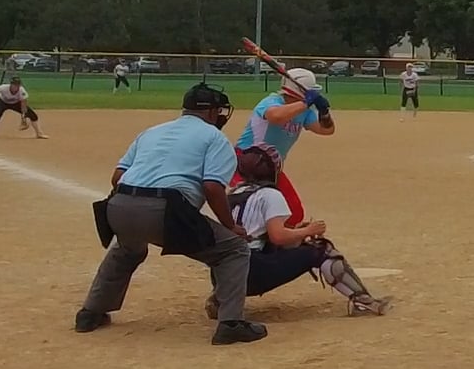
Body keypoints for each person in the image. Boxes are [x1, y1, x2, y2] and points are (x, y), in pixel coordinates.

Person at [75, 83, 266, 345]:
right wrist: (230, 226)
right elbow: (212, 187)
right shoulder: (215, 138)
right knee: (234, 250)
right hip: (165, 209)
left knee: (128, 249)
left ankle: (90, 313)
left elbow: (117, 177)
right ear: (212, 112)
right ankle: (231, 323)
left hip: (117, 207)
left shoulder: (152, 132)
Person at [222, 144, 390, 317]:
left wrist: (295, 232)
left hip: (225, 275)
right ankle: (363, 302)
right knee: (322, 249)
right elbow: (278, 236)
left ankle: (221, 299)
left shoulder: (233, 193)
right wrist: (308, 231)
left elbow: (257, 234)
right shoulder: (269, 194)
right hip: (252, 272)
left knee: (250, 250)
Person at [234, 68, 335, 224]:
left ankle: (277, 237)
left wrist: (324, 112)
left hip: (271, 168)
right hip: (246, 163)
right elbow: (276, 116)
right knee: (249, 207)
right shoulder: (271, 102)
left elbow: (326, 130)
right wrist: (305, 103)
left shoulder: (305, 111)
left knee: (294, 213)